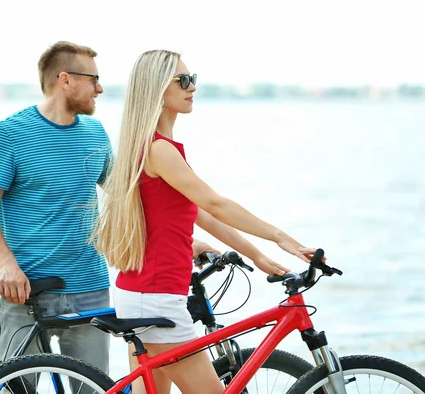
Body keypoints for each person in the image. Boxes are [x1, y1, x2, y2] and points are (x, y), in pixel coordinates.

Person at [93, 50, 323, 394]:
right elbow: (215, 204)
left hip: (142, 292)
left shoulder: (150, 147)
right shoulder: (160, 150)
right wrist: (279, 237)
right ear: (158, 89)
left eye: (193, 79)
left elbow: (197, 214)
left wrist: (257, 256)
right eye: (183, 81)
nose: (192, 87)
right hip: (157, 300)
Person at [0, 41, 113, 370]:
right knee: (16, 388)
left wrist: (185, 238)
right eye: (93, 79)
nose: (100, 88)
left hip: (89, 288)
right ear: (65, 80)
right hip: (25, 290)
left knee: (93, 390)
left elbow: (127, 197)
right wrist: (6, 265)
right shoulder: (10, 133)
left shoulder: (95, 133)